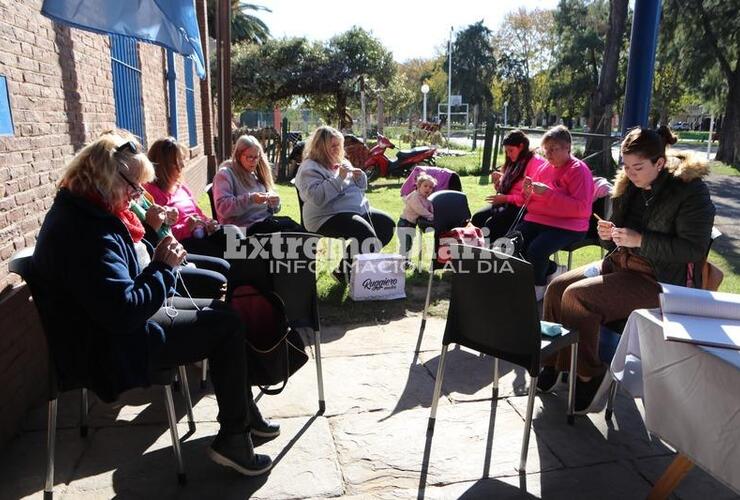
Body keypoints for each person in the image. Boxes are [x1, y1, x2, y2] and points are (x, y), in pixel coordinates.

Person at [33, 131, 277, 476]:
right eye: (133, 186)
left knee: (225, 314)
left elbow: (122, 289)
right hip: (108, 346)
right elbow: (125, 311)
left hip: (111, 328)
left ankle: (241, 418)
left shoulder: (85, 210)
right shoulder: (86, 231)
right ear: (106, 175)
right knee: (227, 324)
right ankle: (235, 437)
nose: (136, 195)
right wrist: (163, 267)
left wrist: (160, 256)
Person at [539, 126, 715, 412]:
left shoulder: (690, 191)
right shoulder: (629, 186)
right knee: (557, 287)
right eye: (626, 165)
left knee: (577, 296)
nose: (631, 173)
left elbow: (693, 249)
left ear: (660, 163)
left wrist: (640, 240)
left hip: (658, 279)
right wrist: (609, 234)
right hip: (622, 264)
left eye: (638, 167)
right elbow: (621, 235)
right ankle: (555, 360)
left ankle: (589, 374)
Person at [294, 126, 395, 282]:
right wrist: (339, 178)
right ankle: (348, 274)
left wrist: (359, 176)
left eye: (339, 145)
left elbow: (359, 188)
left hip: (354, 211)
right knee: (364, 233)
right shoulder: (309, 168)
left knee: (386, 224)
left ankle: (352, 269)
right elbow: (317, 198)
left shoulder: (341, 160)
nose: (337, 149)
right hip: (325, 216)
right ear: (320, 147)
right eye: (333, 146)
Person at [516, 125, 594, 301]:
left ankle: (539, 288)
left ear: (567, 148)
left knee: (537, 250)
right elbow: (530, 202)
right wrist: (527, 192)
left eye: (553, 149)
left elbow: (582, 208)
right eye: (546, 149)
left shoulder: (578, 170)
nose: (548, 154)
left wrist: (549, 194)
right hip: (539, 219)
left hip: (569, 225)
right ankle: (552, 270)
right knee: (513, 242)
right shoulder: (544, 168)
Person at [213, 135, 302, 236]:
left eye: (257, 157)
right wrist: (251, 199)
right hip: (241, 231)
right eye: (249, 157)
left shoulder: (256, 174)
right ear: (238, 155)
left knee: (293, 227)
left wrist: (274, 203)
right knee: (292, 235)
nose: (254, 161)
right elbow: (222, 208)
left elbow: (271, 209)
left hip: (263, 222)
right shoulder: (225, 174)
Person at [471, 130, 544, 242]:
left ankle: (492, 255)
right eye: (506, 151)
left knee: (491, 225)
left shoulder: (535, 162)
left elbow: (531, 196)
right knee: (477, 218)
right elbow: (507, 187)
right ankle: (478, 250)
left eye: (511, 150)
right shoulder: (514, 161)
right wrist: (498, 182)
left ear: (521, 146)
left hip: (524, 208)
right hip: (508, 203)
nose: (508, 154)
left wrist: (505, 198)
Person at [397, 173, 435, 259]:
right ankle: (402, 262)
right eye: (425, 186)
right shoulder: (414, 197)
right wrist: (430, 216)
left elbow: (429, 206)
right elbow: (420, 209)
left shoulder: (424, 198)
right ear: (418, 186)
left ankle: (406, 261)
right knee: (406, 245)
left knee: (409, 244)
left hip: (411, 224)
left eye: (430, 187)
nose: (428, 188)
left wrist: (433, 212)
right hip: (405, 223)